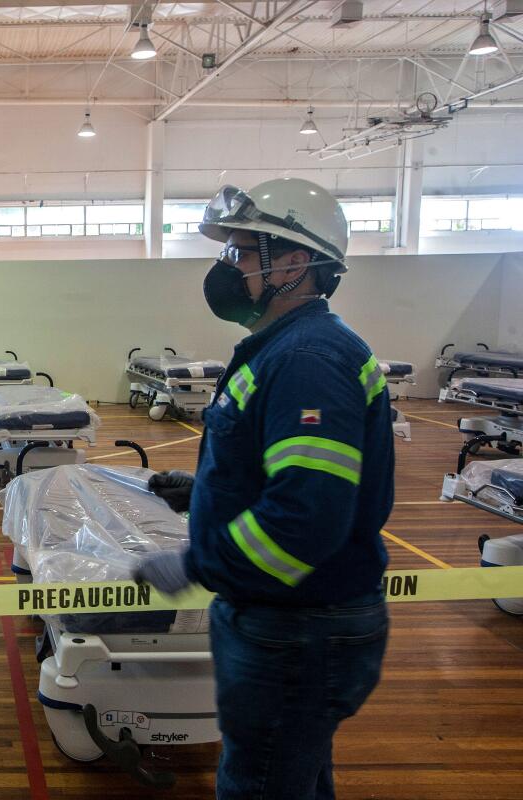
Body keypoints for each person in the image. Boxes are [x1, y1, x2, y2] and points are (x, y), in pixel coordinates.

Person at [135, 178, 395, 800]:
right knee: (294, 776)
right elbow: (285, 474)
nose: (230, 268)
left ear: (296, 262)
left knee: (261, 784)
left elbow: (304, 520)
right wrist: (203, 493)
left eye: (245, 254)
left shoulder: (308, 360)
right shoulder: (286, 348)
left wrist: (199, 562)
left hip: (297, 630)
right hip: (291, 623)